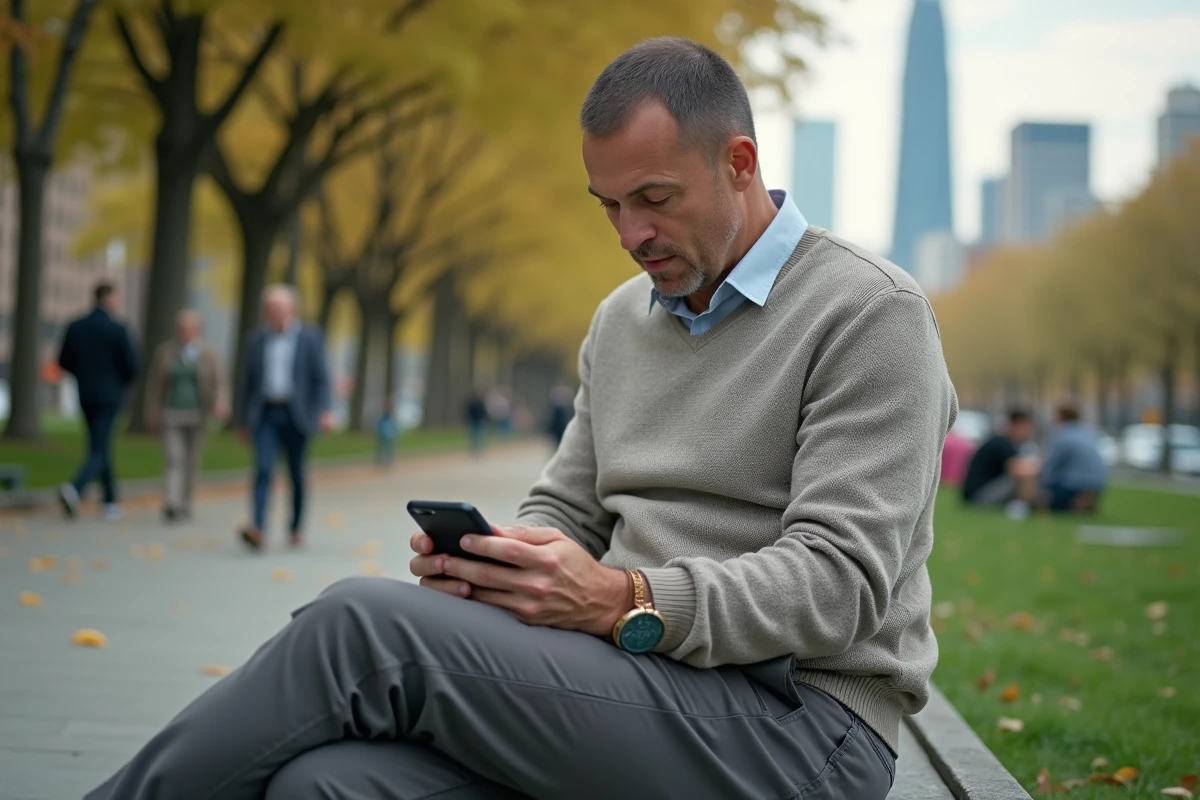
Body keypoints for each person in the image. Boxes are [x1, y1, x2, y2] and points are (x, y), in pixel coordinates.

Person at [84, 38, 956, 800]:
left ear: (739, 162)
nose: (631, 234)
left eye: (655, 198)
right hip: (632, 684)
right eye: (609, 205)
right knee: (325, 785)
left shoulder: (869, 314)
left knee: (362, 630)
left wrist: (622, 600)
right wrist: (504, 567)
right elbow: (568, 507)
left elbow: (838, 586)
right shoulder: (622, 320)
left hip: (800, 726)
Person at [233, 285, 333, 550]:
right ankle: (257, 528)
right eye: (269, 309)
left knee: (296, 473)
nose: (274, 313)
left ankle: (295, 527)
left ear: (291, 309)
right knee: (263, 469)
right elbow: (247, 382)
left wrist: (324, 410)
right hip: (265, 413)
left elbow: (321, 377)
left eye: (279, 308)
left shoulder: (309, 338)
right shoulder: (256, 340)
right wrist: (242, 420)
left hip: (296, 414)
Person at [56, 282, 138, 521]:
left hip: (86, 393)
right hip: (110, 395)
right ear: (109, 298)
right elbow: (132, 366)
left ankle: (110, 501)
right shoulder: (118, 329)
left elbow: (63, 360)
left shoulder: (76, 326)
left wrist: (83, 375)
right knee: (99, 448)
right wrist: (117, 381)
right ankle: (75, 488)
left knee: (100, 444)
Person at [144, 310, 227, 521]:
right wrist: (152, 413)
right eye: (182, 329)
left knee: (191, 460)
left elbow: (220, 381)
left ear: (198, 330)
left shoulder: (209, 353)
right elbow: (155, 385)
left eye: (189, 329)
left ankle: (186, 501)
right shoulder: (166, 352)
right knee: (174, 458)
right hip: (171, 412)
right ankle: (172, 502)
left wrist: (221, 402)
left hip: (199, 413)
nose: (185, 333)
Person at [961, 410, 1039, 510]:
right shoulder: (1002, 443)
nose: (1028, 432)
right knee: (1023, 476)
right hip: (978, 496)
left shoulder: (1004, 442)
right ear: (1017, 425)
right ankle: (1020, 509)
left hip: (978, 494)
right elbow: (1019, 470)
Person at [1038, 404, 1107, 512]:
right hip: (1097, 484)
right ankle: (1085, 500)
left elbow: (1051, 466)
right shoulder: (1088, 433)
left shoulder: (1063, 436)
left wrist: (1041, 484)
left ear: (1061, 417)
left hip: (1074, 485)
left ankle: (1074, 502)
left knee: (1041, 498)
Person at [376, 393, 399, 467]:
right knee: (384, 446)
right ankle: (382, 460)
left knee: (388, 446)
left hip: (388, 433)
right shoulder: (384, 417)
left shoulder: (390, 417)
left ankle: (388, 460)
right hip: (385, 432)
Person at [464, 389, 488, 454]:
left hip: (479, 420)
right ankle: (475, 448)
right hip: (474, 420)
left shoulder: (479, 402)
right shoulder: (471, 403)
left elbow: (483, 411)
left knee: (478, 434)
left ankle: (479, 448)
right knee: (475, 435)